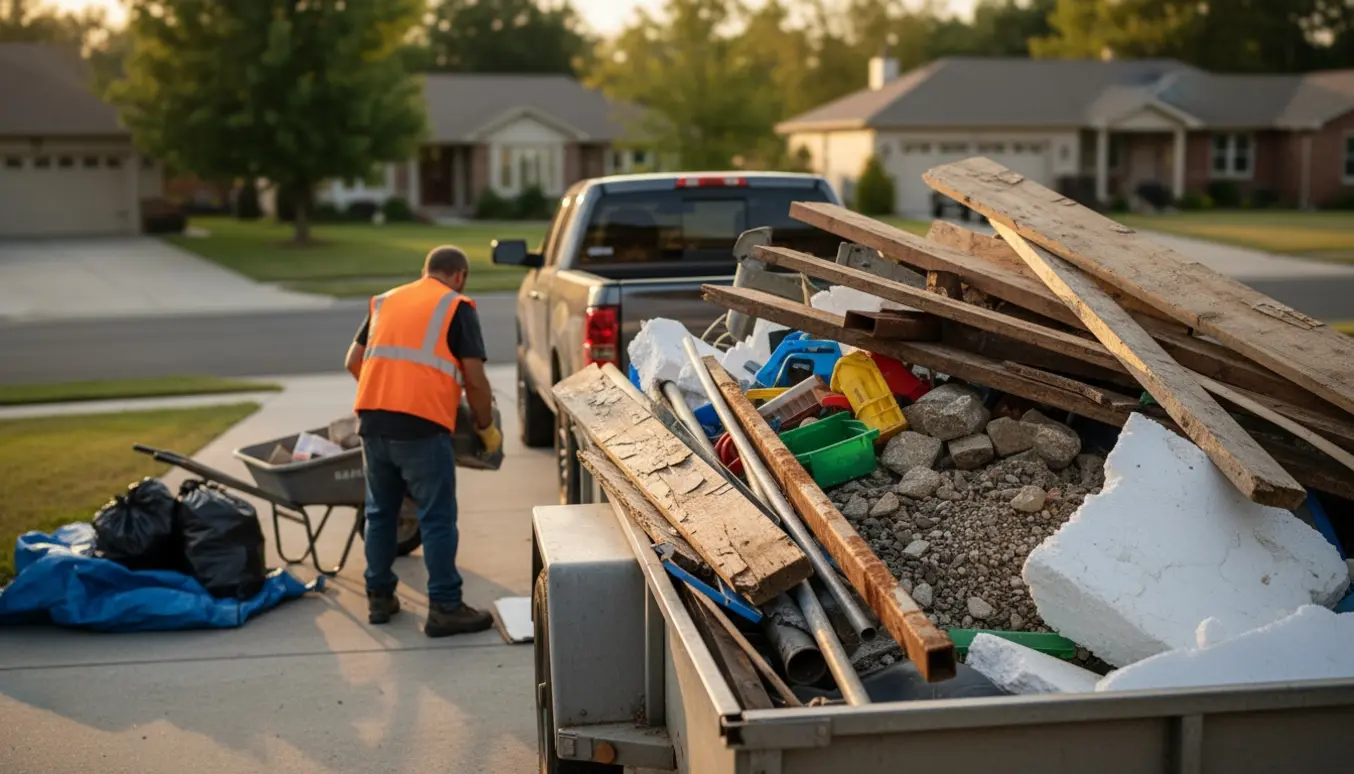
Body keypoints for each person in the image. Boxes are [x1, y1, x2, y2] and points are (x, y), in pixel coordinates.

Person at [344, 245, 503, 637]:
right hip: (421, 428)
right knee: (436, 517)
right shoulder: (457, 306)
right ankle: (445, 607)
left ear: (425, 271)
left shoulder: (386, 301)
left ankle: (379, 598)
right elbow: (476, 380)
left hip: (372, 421)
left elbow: (353, 360)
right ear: (460, 275)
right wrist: (485, 428)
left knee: (381, 513)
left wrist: (388, 393)